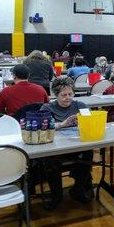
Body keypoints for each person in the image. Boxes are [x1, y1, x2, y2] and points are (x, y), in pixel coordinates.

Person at [40, 77, 94, 209]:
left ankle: (78, 189)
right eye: (63, 95)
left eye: (70, 94)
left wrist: (84, 123)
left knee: (89, 152)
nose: (68, 98)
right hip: (55, 149)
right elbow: (43, 128)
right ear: (55, 95)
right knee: (50, 160)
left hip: (76, 146)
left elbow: (91, 122)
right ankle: (56, 194)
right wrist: (63, 124)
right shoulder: (47, 108)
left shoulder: (80, 106)